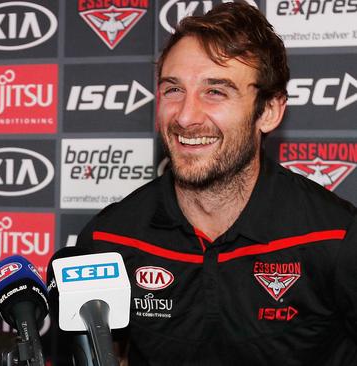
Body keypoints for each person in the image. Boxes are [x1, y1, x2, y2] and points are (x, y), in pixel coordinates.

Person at [76, 2, 357, 365]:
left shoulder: (336, 238)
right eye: (173, 90)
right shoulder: (109, 239)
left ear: (269, 111)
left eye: (216, 92)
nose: (186, 116)